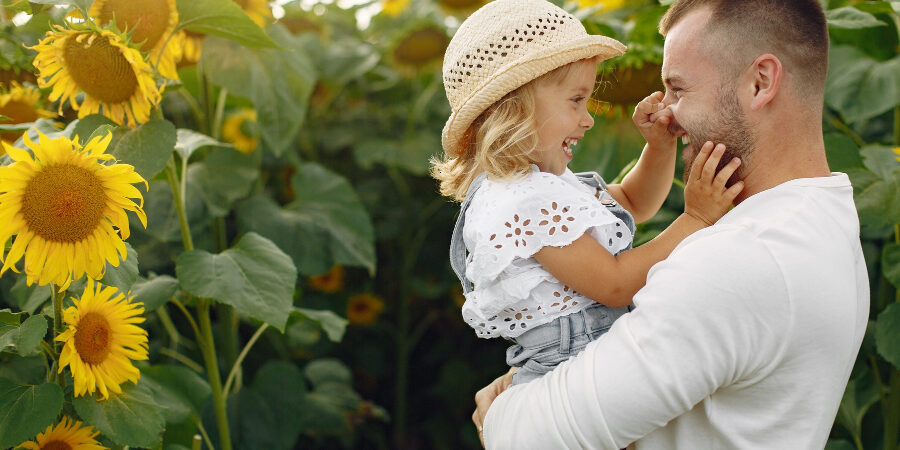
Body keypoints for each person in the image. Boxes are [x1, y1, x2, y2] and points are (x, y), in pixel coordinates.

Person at [470, 0, 870, 448]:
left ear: (760, 83)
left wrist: (498, 416)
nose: (666, 114)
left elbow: (529, 440)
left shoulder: (742, 259)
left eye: (678, 90)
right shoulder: (820, 219)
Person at [430, 0, 742, 390]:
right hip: (572, 364)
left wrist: (659, 147)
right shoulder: (521, 201)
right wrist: (696, 218)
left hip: (586, 350)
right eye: (576, 100)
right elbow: (614, 285)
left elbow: (632, 203)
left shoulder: (539, 184)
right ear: (515, 109)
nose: (588, 117)